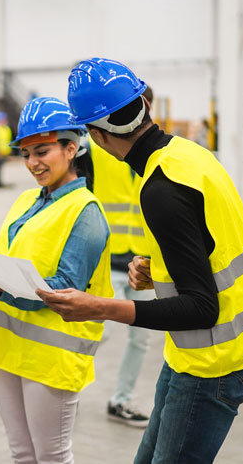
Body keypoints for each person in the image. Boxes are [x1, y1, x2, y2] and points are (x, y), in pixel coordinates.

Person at [37, 58, 243, 463]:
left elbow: (202, 308)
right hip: (222, 343)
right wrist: (156, 268)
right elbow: (208, 242)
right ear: (145, 105)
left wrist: (99, 308)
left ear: (97, 135)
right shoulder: (187, 154)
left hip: (219, 357)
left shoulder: (161, 189)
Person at [0, 97, 114, 464]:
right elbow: (9, 263)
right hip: (7, 348)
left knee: (52, 456)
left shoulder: (86, 213)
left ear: (71, 148)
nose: (32, 163)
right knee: (22, 454)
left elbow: (64, 290)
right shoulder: (27, 200)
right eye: (26, 154)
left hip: (51, 357)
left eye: (41, 151)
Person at [88, 83, 156, 429]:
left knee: (141, 339)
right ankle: (59, 382)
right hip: (109, 257)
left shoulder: (156, 153)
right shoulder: (96, 148)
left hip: (143, 262)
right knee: (100, 331)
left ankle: (122, 401)